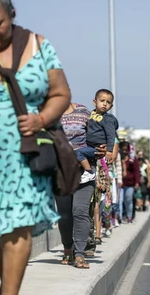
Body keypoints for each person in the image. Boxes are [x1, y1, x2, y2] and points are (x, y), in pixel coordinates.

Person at [0, 0, 70, 295]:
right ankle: (7, 289)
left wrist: (41, 119)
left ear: (12, 15)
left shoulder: (39, 45)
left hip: (28, 154)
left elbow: (62, 93)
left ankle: (8, 293)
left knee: (19, 221)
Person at [55, 102, 106, 269]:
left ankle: (80, 254)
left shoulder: (84, 112)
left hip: (84, 172)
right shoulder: (49, 114)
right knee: (64, 216)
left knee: (80, 211)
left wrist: (104, 147)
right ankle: (68, 250)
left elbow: (98, 133)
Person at [75, 89, 119, 183]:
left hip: (97, 148)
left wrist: (109, 151)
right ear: (95, 102)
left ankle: (89, 173)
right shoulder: (92, 114)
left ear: (111, 106)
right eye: (102, 101)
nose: (105, 104)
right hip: (88, 145)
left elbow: (111, 135)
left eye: (108, 102)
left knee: (79, 153)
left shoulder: (108, 119)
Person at [120, 142, 141, 223]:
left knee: (128, 199)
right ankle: (121, 217)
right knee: (121, 200)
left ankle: (129, 216)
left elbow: (136, 171)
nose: (125, 152)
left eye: (126, 150)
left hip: (130, 184)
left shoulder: (132, 159)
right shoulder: (119, 158)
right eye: (123, 150)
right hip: (120, 183)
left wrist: (137, 182)